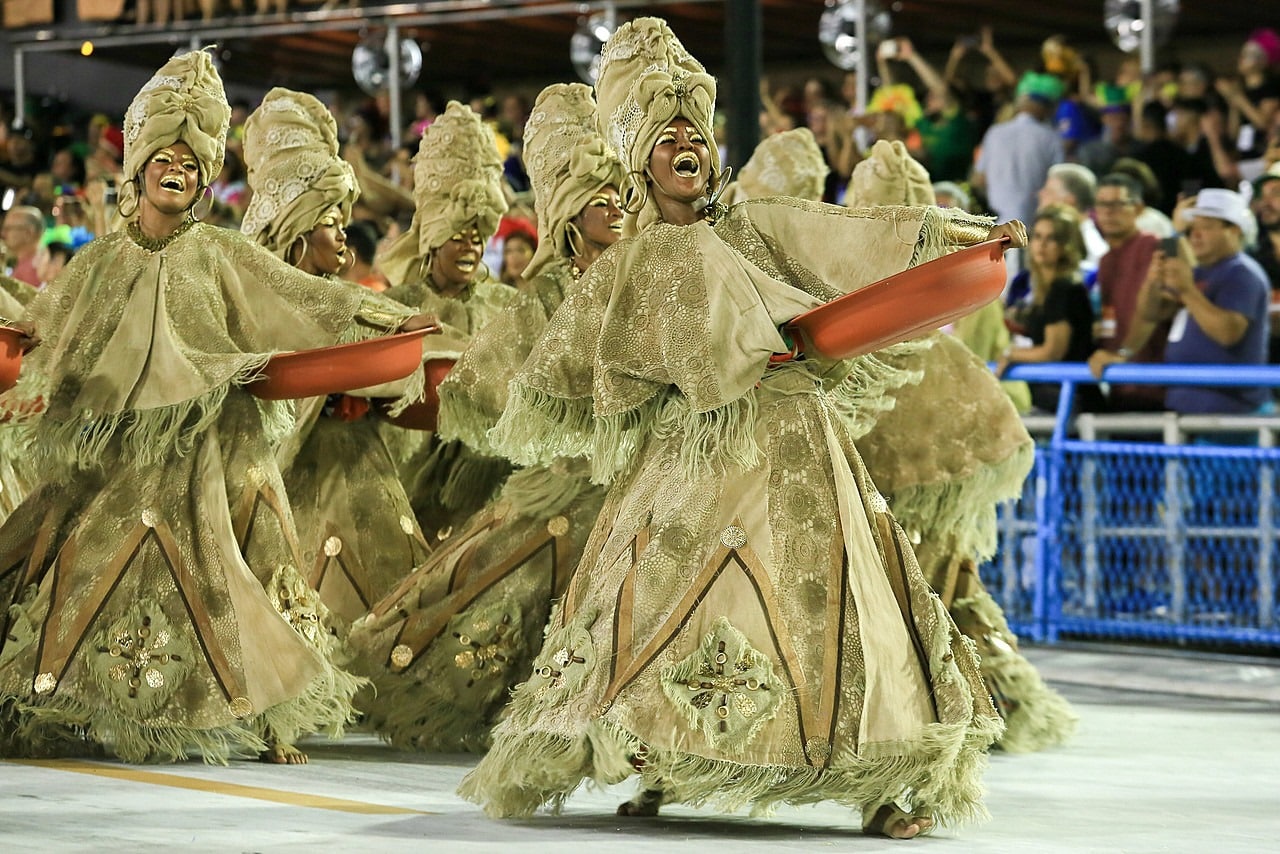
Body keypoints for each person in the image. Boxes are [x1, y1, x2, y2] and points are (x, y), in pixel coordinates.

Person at [459, 17, 1023, 839]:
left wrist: (973, 235)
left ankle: (883, 784)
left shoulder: (757, 227)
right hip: (690, 459)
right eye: (665, 134)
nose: (685, 143)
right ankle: (658, 756)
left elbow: (860, 241)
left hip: (798, 447)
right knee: (653, 603)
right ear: (638, 159)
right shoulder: (629, 267)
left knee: (836, 600)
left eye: (695, 129)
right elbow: (565, 372)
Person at [0, 50, 430, 766]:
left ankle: (257, 718)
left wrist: (384, 321)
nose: (179, 168)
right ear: (137, 167)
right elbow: (48, 330)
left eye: (194, 160)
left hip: (211, 452)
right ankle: (84, 699)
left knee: (228, 568)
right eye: (165, 154)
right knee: (79, 562)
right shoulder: (98, 264)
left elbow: (307, 301)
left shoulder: (221, 253)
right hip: (114, 456)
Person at [348, 82, 624, 753]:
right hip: (509, 470)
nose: (473, 245)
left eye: (482, 231)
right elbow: (499, 386)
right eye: (599, 200)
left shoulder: (628, 282)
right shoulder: (539, 300)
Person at [843, 140, 1075, 753]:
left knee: (930, 602)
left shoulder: (925, 347)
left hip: (923, 511)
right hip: (879, 511)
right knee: (938, 602)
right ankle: (975, 712)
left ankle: (944, 722)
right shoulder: (870, 340)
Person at [240, 87, 434, 625]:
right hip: (288, 484)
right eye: (329, 218)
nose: (344, 228)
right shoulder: (259, 307)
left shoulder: (353, 300)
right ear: (296, 232)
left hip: (364, 465)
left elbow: (399, 369)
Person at [377, 101, 516, 537]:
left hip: (492, 481)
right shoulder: (397, 306)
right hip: (404, 483)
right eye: (458, 233)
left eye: (479, 233)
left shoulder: (511, 306)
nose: (471, 246)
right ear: (433, 237)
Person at [1141, 189, 1271, 414]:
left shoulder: (1241, 272)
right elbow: (1152, 313)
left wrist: (1187, 291)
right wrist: (1156, 275)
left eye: (1207, 227)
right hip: (1189, 404)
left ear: (1234, 230)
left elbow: (1228, 333)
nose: (1195, 235)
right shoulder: (1199, 272)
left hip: (1231, 410)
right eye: (1192, 228)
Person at [999, 204, 1100, 413]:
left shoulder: (1064, 288)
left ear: (1066, 246)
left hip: (1071, 396)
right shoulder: (1042, 288)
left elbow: (1053, 351)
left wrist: (1011, 354)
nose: (1041, 245)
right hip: (1056, 392)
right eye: (1037, 237)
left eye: (1051, 238)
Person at [1086, 174, 1170, 410]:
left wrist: (1123, 353)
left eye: (1118, 204)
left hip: (1153, 382)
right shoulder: (1104, 261)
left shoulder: (1156, 247)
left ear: (1139, 208)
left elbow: (1155, 311)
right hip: (1116, 380)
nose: (1108, 212)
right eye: (1102, 204)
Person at [973, 71, 1064, 229]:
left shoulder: (994, 133)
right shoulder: (1051, 138)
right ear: (1045, 107)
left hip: (997, 225)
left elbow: (979, 179)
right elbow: (1058, 182)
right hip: (1034, 225)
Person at [2, 206, 42, 287]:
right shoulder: (23, 265)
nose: (3, 234)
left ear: (28, 233)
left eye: (8, 229)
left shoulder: (35, 270)